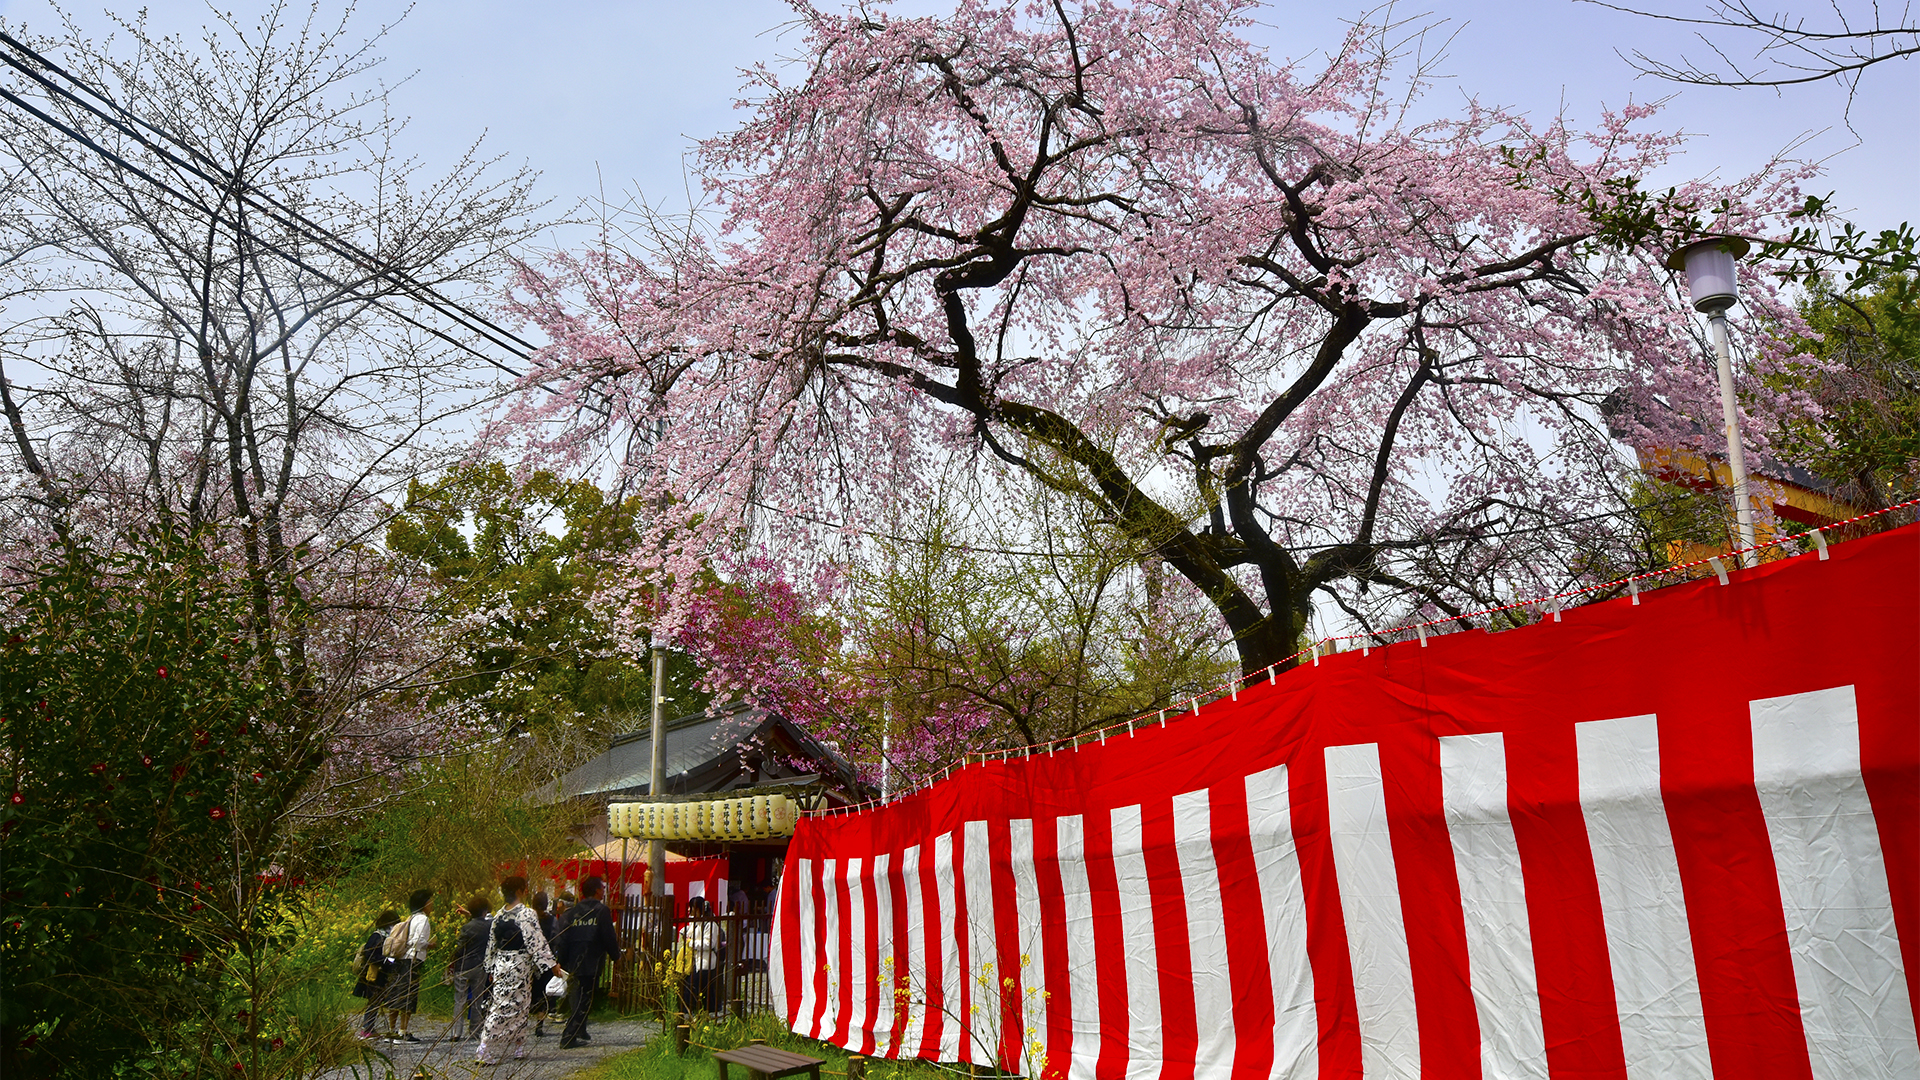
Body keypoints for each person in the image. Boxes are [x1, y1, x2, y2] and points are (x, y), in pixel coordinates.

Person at [477, 876, 566, 1066]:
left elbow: (491, 945)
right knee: (509, 1007)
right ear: (519, 891)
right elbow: (537, 942)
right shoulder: (526, 914)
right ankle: (484, 1047)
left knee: (513, 1005)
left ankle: (518, 1046)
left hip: (501, 963)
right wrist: (552, 964)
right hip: (519, 964)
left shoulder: (498, 916)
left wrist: (490, 967)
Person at [552, 875, 622, 1049]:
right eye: (603, 888)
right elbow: (608, 937)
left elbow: (563, 938)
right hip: (592, 960)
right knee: (584, 1000)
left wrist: (560, 960)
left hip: (573, 961)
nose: (604, 891)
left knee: (578, 996)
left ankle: (581, 1030)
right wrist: (617, 957)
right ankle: (568, 1036)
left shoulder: (573, 912)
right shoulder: (601, 911)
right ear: (598, 891)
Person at [386, 889, 434, 1043]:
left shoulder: (409, 918)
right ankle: (403, 1031)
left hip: (400, 959)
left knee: (395, 993)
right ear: (425, 903)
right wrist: (430, 944)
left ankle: (391, 1031)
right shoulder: (423, 920)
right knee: (408, 995)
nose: (432, 904)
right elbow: (418, 942)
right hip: (412, 961)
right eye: (430, 901)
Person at [352, 910, 400, 1039]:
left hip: (380, 975)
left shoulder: (384, 936)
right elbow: (370, 955)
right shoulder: (377, 936)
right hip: (373, 976)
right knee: (374, 1002)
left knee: (375, 1002)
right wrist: (386, 960)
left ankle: (369, 1028)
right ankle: (367, 1029)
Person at [449, 897, 493, 1040]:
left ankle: (456, 1032)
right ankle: (475, 1031)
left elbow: (460, 948)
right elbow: (488, 918)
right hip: (480, 967)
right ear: (485, 911)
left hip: (463, 966)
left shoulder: (466, 928)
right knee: (477, 1000)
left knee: (459, 1000)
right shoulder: (489, 926)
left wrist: (452, 961)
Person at [676, 895, 725, 1015]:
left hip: (705, 961)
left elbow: (709, 944)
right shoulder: (695, 922)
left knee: (694, 986)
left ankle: (690, 1011)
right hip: (694, 961)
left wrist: (691, 943)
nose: (689, 910)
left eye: (691, 907)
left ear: (697, 908)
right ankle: (710, 1009)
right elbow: (689, 933)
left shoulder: (710, 924)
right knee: (704, 989)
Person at [531, 891, 557, 1037]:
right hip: (546, 960)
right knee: (543, 993)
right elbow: (555, 939)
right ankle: (539, 1024)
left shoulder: (528, 918)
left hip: (530, 961)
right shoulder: (551, 920)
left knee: (530, 991)